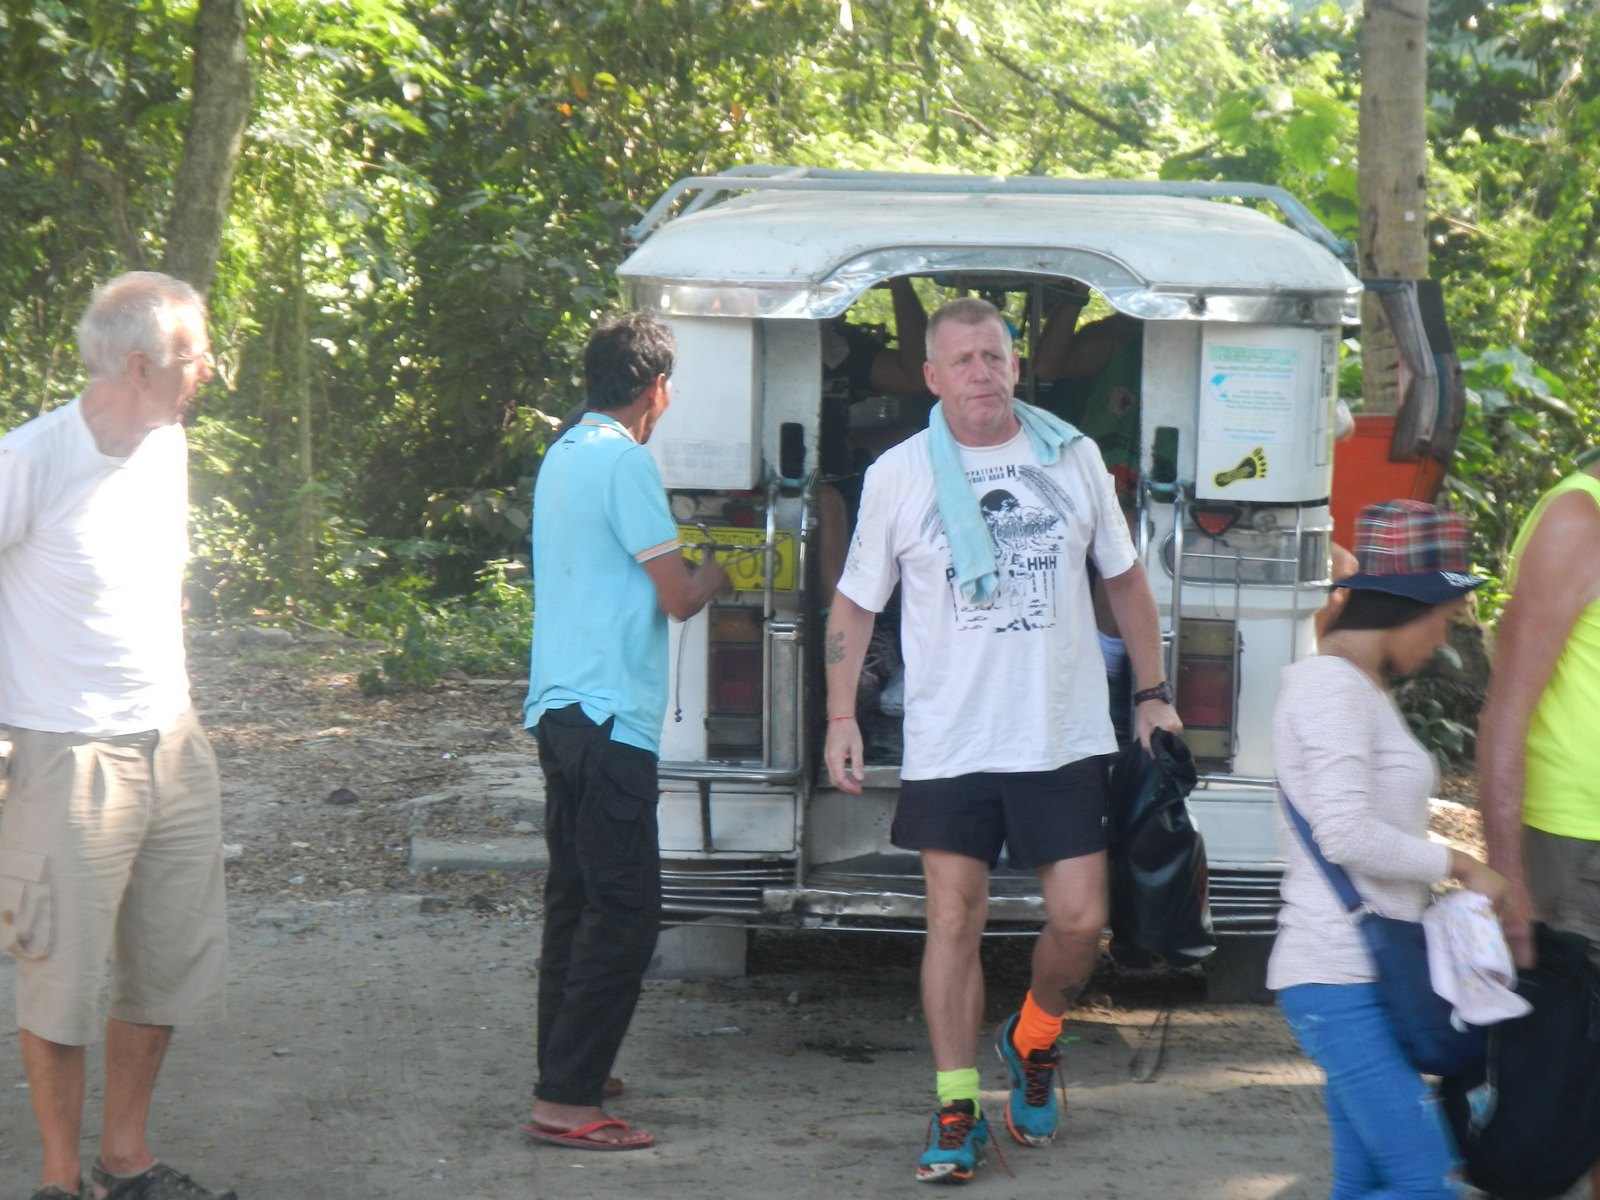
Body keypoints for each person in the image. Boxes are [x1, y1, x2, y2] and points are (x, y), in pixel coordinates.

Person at [823, 297, 1182, 1184]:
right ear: (932, 378)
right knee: (953, 919)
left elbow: (1126, 582)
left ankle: (1033, 1036)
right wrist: (839, 716)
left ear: (1017, 366)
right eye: (963, 360)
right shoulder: (900, 474)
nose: (981, 373)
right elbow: (856, 603)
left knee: (1082, 920)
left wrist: (1151, 695)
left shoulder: (1072, 455)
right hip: (952, 737)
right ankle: (956, 1106)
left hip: (1061, 731)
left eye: (995, 356)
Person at [0, 272, 235, 1200]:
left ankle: (125, 1162)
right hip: (66, 754)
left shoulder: (168, 445)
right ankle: (61, 1181)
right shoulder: (31, 460)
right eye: (196, 354)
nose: (208, 369)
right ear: (141, 365)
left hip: (172, 741)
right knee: (61, 977)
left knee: (166, 964)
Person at [520, 313, 729, 1151]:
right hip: (612, 717)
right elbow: (677, 597)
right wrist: (718, 570)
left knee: (575, 898)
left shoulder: (564, 453)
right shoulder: (627, 461)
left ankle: (566, 1063)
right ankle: (567, 1101)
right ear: (657, 389)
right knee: (629, 910)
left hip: (559, 709)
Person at [1270, 499, 1506, 1200]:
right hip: (1336, 973)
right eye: (1446, 618)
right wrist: (1458, 863)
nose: (1445, 639)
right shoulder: (1330, 686)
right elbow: (1343, 832)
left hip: (1364, 970)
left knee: (1367, 1180)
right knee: (1428, 1184)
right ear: (1411, 605)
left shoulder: (1358, 685)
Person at [1478, 459, 1600, 1200]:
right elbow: (1507, 707)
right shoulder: (1578, 519)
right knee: (1564, 1086)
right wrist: (1509, 881)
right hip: (1573, 849)